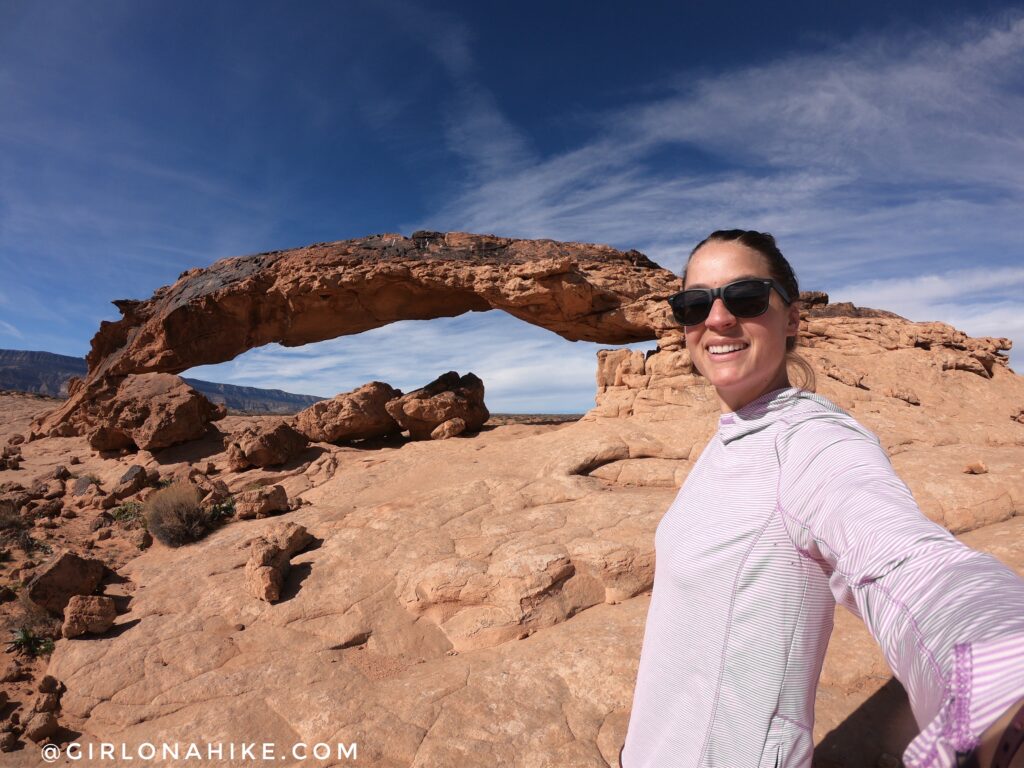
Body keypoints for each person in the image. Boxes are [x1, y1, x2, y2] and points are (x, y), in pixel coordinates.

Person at [618, 230, 1024, 767]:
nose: (716, 319)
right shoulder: (737, 430)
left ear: (792, 320)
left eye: (745, 297)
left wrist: (1005, 691)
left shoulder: (813, 440)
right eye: (693, 305)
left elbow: (905, 561)